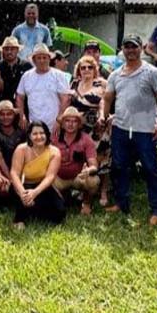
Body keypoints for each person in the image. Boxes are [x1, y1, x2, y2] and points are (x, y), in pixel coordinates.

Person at [99, 34, 157, 225]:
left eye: (134, 47)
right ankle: (121, 203)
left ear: (141, 48)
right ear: (122, 49)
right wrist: (103, 116)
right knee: (119, 167)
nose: (130, 50)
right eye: (127, 47)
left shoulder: (152, 72)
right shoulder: (115, 74)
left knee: (150, 169)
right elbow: (107, 98)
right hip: (121, 127)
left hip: (145, 130)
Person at [70, 55, 110, 205]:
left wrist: (104, 116)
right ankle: (84, 188)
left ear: (95, 69)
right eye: (83, 67)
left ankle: (104, 191)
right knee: (82, 158)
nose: (86, 70)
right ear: (78, 70)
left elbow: (105, 103)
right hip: (79, 128)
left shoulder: (102, 83)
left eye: (90, 67)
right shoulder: (74, 84)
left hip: (97, 127)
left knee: (101, 159)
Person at [9, 121, 65, 229]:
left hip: (41, 186)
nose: (38, 137)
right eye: (34, 134)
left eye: (42, 133)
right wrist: (23, 194)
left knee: (60, 213)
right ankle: (19, 219)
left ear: (47, 135)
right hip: (22, 185)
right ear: (29, 136)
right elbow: (14, 173)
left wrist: (34, 193)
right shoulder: (21, 149)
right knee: (25, 200)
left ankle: (33, 210)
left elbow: (50, 177)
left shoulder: (54, 152)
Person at [52, 108, 100, 215]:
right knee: (44, 179)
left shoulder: (86, 139)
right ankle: (62, 199)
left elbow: (94, 165)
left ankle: (86, 203)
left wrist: (89, 170)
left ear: (79, 124)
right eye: (67, 121)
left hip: (78, 177)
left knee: (94, 180)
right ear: (63, 124)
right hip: (58, 178)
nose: (70, 124)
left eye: (74, 121)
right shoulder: (54, 138)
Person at [16, 43, 71, 131]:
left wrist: (59, 119)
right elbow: (19, 97)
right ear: (34, 60)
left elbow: (65, 99)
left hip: (54, 126)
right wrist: (22, 116)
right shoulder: (26, 76)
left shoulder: (59, 76)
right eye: (39, 58)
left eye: (44, 57)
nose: (42, 60)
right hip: (34, 126)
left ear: (49, 59)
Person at [0, 100, 25, 179]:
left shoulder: (20, 130)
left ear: (13, 115)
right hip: (2, 170)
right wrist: (11, 178)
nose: (5, 117)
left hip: (19, 167)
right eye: (2, 115)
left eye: (9, 114)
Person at [0, 36, 32, 103]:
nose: (9, 52)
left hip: (23, 104)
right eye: (6, 49)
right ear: (3, 51)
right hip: (3, 106)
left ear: (17, 50)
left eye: (12, 49)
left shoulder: (26, 66)